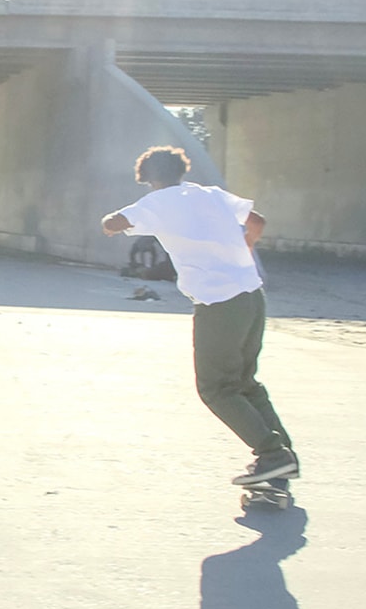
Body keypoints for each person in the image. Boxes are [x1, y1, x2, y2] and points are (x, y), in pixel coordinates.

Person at [101, 145, 298, 487]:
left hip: (219, 304)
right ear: (182, 170)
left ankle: (272, 455)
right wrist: (243, 248)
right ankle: (285, 457)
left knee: (216, 388)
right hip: (252, 295)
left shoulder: (156, 203)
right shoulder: (211, 195)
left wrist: (112, 220)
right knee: (245, 382)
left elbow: (112, 224)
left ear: (147, 178)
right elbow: (256, 222)